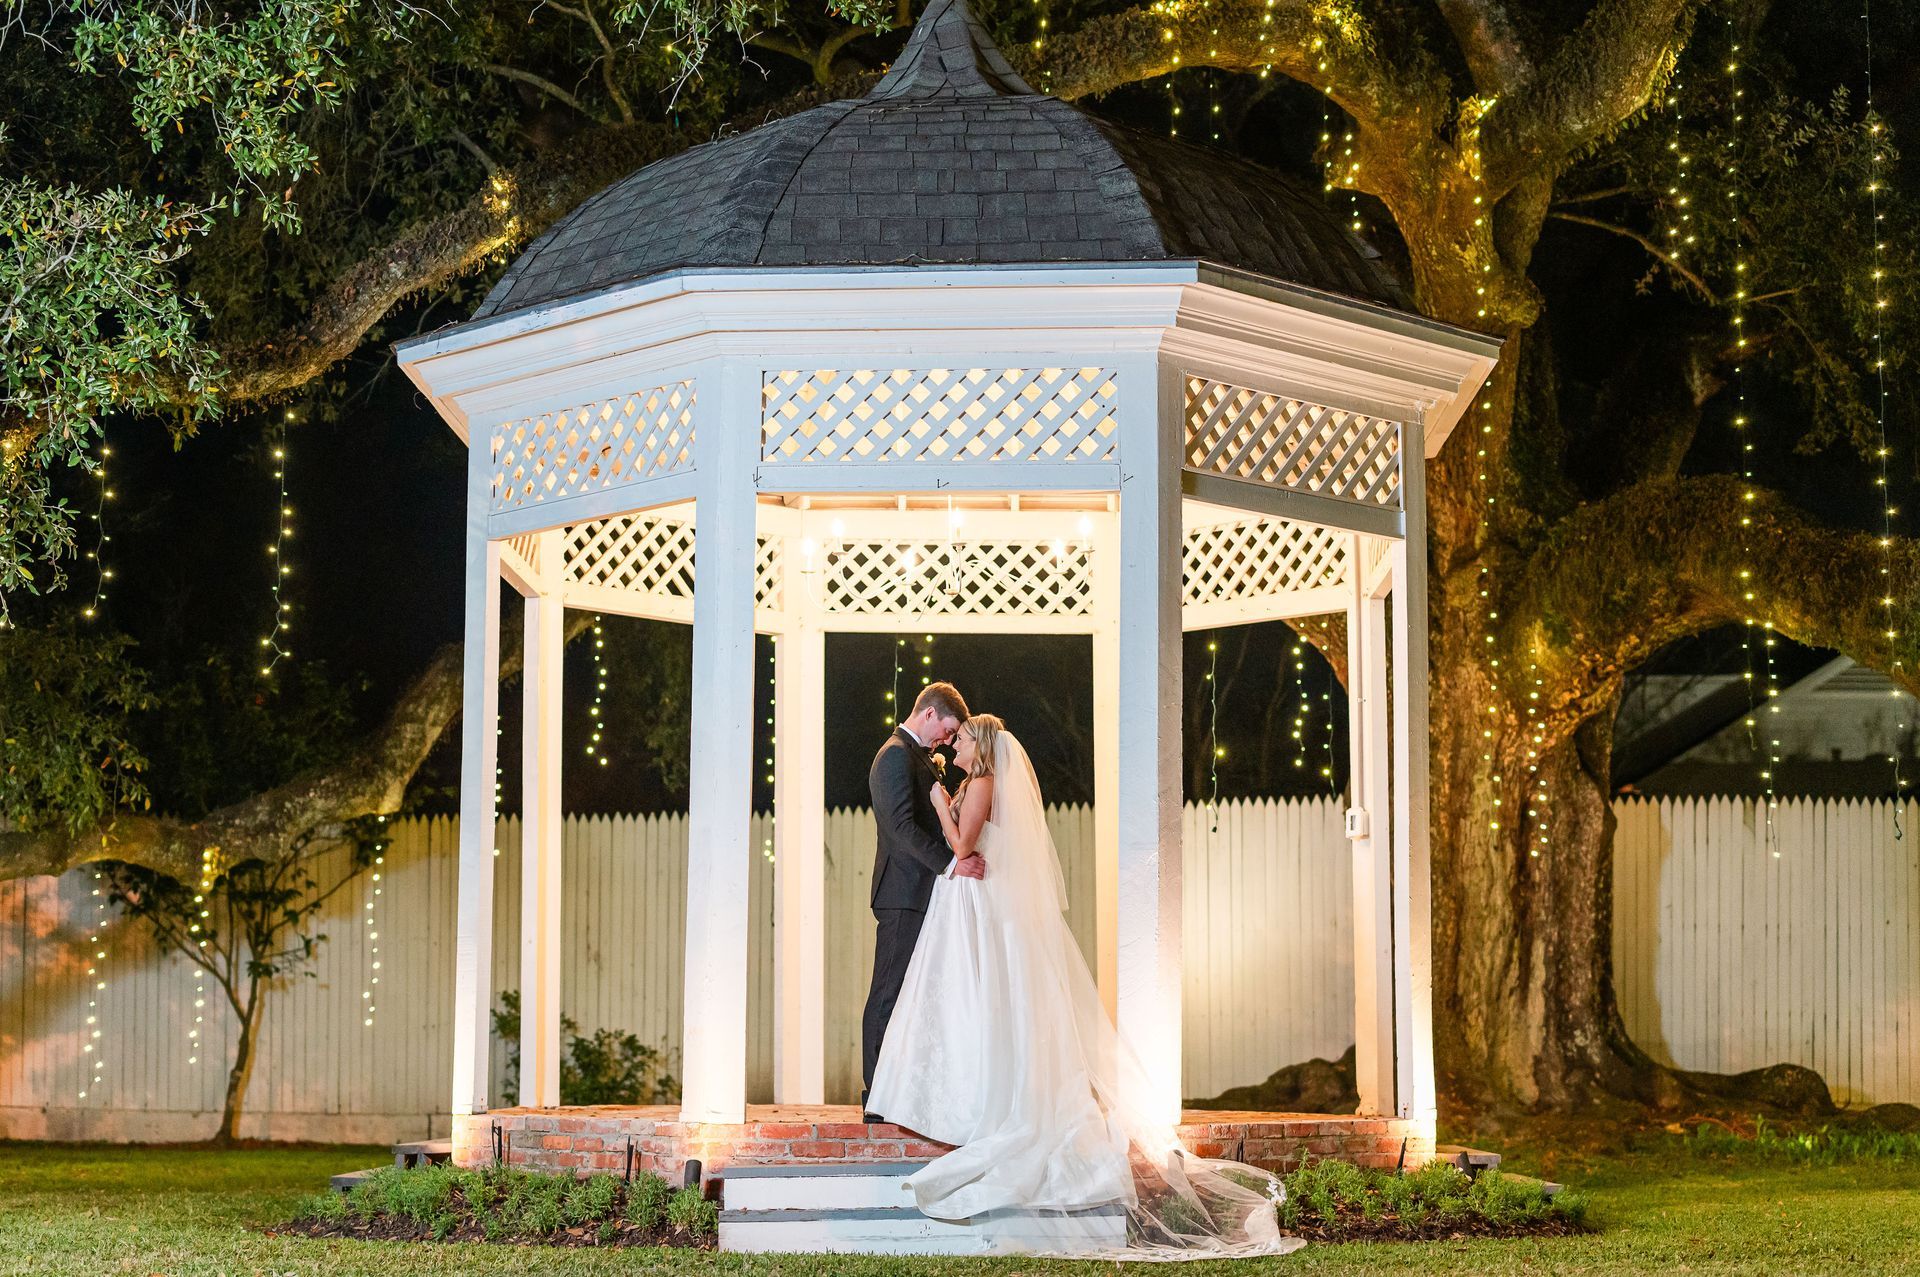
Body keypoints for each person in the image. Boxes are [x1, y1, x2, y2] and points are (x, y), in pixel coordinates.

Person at [867, 715, 1300, 1258]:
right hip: (970, 908)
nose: (951, 745)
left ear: (979, 747)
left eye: (959, 739)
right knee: (969, 1007)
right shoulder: (968, 781)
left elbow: (961, 847)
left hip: (980, 903)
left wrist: (937, 804)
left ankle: (986, 1100)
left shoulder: (981, 784)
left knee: (986, 1007)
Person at [859, 681, 986, 1120]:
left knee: (914, 996)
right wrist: (951, 865)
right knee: (888, 994)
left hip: (922, 892)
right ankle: (875, 1096)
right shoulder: (894, 755)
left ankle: (902, 1089)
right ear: (929, 714)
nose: (947, 742)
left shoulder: (915, 756)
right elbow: (900, 828)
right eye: (947, 731)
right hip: (901, 893)